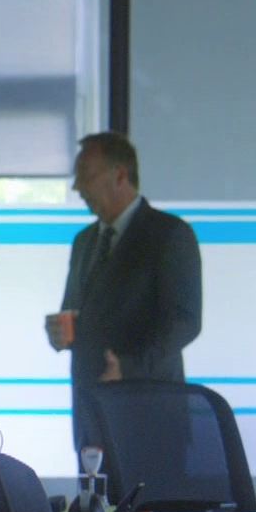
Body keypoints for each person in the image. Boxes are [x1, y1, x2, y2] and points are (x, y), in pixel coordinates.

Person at [46, 132, 203, 457]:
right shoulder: (84, 242)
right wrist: (61, 332)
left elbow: (185, 322)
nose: (77, 188)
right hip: (93, 416)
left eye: (85, 176)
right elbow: (75, 311)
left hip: (151, 411)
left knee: (152, 490)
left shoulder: (169, 234)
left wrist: (129, 368)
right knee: (96, 491)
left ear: (120, 175)